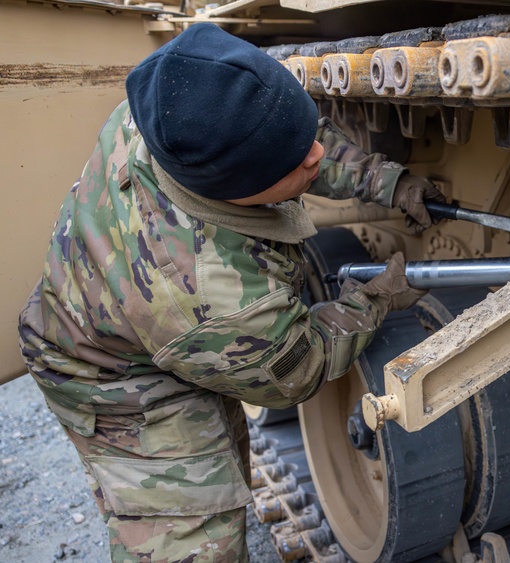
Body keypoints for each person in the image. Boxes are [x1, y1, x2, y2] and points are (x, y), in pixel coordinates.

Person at [17, 23, 443, 562]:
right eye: (294, 163)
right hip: (105, 372)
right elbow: (299, 367)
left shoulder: (174, 105)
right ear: (238, 192)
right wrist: (374, 298)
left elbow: (279, 141)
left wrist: (386, 180)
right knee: (196, 537)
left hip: (116, 304)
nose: (315, 155)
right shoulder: (211, 298)